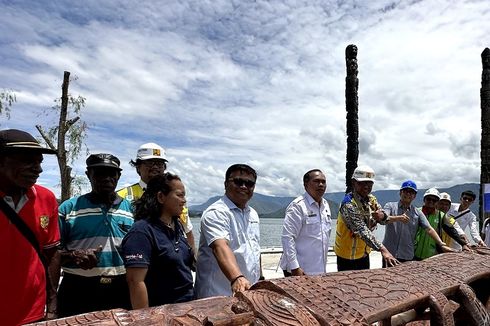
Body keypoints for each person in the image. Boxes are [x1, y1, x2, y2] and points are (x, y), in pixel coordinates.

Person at [57, 153, 134, 317]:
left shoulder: (132, 210)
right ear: (88, 175)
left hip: (121, 288)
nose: (106, 178)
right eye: (99, 173)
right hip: (77, 288)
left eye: (111, 173)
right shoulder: (68, 208)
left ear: (118, 176)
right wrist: (73, 256)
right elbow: (52, 255)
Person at [0, 129, 60, 325]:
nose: (38, 169)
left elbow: (51, 254)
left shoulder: (46, 198)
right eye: (28, 160)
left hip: (33, 313)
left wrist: (51, 306)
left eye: (39, 162)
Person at [122, 173, 194, 308]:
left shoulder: (177, 226)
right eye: (179, 195)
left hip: (187, 307)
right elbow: (135, 281)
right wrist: (145, 319)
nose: (184, 200)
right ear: (161, 197)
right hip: (162, 312)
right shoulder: (141, 232)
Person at [194, 164, 260, 298]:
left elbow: (255, 249)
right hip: (217, 294)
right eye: (238, 181)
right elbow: (220, 246)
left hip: (247, 292)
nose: (244, 186)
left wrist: (260, 278)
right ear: (225, 184)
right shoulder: (216, 213)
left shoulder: (253, 214)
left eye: (249, 183)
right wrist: (237, 278)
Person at [117, 143, 195, 252]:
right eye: (149, 163)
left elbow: (187, 230)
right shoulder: (121, 196)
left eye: (159, 164)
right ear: (138, 167)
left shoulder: (176, 197)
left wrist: (192, 259)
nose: (155, 167)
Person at [334, 165, 402, 271]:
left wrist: (382, 216)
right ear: (353, 182)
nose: (366, 186)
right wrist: (383, 249)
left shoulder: (371, 200)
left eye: (369, 183)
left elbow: (384, 218)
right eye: (362, 183)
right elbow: (361, 230)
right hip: (346, 257)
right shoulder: (348, 204)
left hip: (364, 254)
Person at [383, 180, 453, 266]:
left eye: (411, 192)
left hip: (407, 255)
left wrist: (441, 243)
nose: (408, 194)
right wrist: (398, 218)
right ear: (400, 192)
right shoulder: (389, 206)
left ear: (415, 196)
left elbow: (429, 229)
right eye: (406, 191)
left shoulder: (417, 213)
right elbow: (384, 219)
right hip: (389, 254)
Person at [279, 169, 331, 276]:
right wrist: (294, 267)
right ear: (306, 184)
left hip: (319, 268)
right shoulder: (297, 206)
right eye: (316, 181)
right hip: (300, 269)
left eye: (323, 182)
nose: (321, 184)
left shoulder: (325, 205)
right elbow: (287, 238)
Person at [414, 188, 469, 260]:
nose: (431, 201)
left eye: (434, 200)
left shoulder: (442, 216)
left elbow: (452, 229)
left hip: (432, 253)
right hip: (414, 252)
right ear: (424, 199)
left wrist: (463, 243)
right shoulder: (416, 212)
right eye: (429, 199)